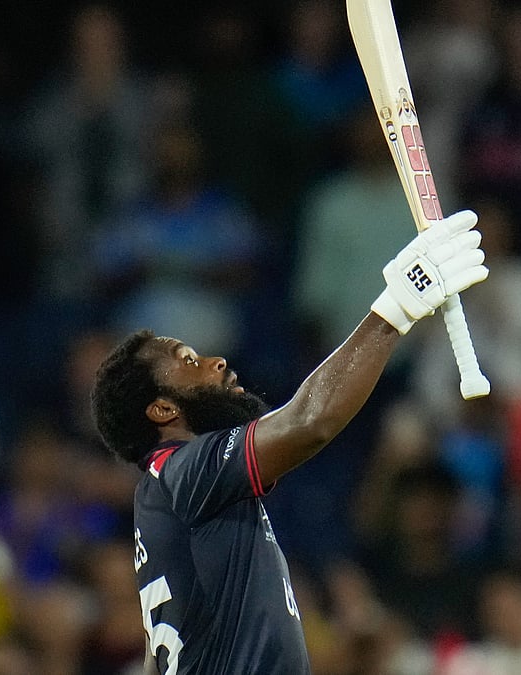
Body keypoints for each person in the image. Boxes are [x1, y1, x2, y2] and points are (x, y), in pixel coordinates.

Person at [90, 210, 488, 673]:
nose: (215, 361)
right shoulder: (182, 471)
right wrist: (396, 308)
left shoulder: (166, 497)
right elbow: (309, 421)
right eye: (189, 360)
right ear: (162, 410)